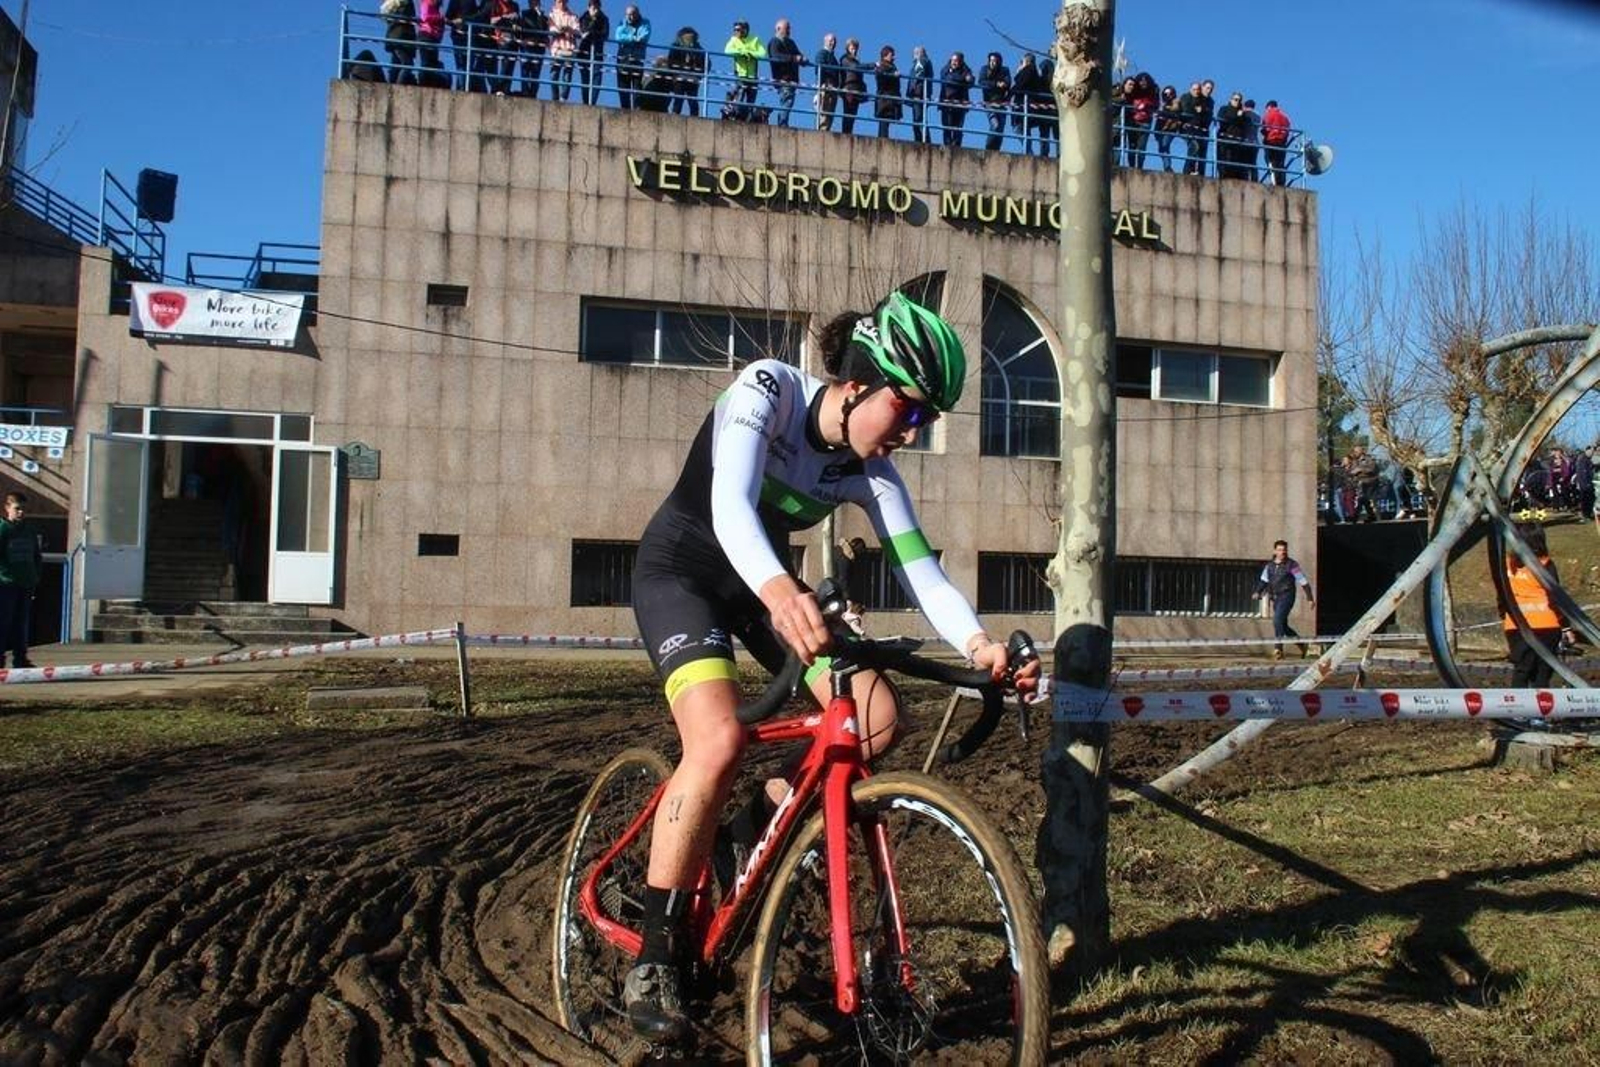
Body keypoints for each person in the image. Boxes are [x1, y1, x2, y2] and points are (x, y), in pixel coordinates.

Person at [620, 293, 1037, 1042]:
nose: (914, 430)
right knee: (715, 743)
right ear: (856, 384)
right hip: (681, 572)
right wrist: (783, 589)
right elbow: (729, 505)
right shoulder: (767, 392)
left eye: (927, 419)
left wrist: (981, 648)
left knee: (876, 716)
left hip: (761, 586)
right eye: (909, 408)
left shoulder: (870, 471)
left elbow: (923, 573)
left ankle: (749, 825)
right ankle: (654, 957)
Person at [1500, 522, 1570, 688]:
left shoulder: (1506, 564)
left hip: (1516, 626)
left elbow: (1501, 593)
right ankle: (1539, 711)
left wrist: (1503, 614)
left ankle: (1518, 711)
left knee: (1522, 671)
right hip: (1546, 624)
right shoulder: (1545, 564)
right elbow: (1556, 597)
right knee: (1542, 674)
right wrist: (1566, 627)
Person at [1254, 539, 1315, 660]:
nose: (1282, 552)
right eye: (1280, 549)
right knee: (1283, 626)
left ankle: (1278, 649)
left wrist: (1310, 598)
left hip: (1287, 596)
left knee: (1277, 620)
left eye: (1284, 550)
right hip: (1275, 597)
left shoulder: (1292, 565)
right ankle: (1303, 645)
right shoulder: (1269, 566)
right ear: (1275, 551)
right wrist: (1257, 591)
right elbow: (1263, 581)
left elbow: (1303, 581)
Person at [0, 492, 42, 670]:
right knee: (3, 621)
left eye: (23, 509)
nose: (21, 512)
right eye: (17, 508)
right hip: (6, 582)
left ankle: (21, 658)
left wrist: (35, 577)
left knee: (21, 622)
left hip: (26, 582)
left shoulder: (29, 530)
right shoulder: (3, 529)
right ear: (7, 508)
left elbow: (36, 556)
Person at [766, 18, 807, 127]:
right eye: (787, 28)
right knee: (787, 100)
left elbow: (798, 54)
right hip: (782, 78)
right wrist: (794, 58)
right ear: (778, 28)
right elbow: (776, 57)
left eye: (789, 28)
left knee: (788, 101)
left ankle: (783, 123)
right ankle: (782, 124)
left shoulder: (790, 42)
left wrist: (803, 59)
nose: (789, 30)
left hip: (792, 78)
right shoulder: (774, 42)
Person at [724, 20, 766, 111]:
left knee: (751, 101)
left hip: (752, 76)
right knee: (739, 99)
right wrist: (741, 52)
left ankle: (748, 118)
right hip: (741, 75)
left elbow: (762, 53)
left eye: (738, 29)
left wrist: (750, 53)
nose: (736, 32)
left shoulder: (754, 39)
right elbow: (727, 51)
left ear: (745, 30)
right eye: (735, 30)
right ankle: (734, 114)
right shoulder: (733, 40)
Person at [614, 4, 651, 108]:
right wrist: (633, 38)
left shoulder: (645, 23)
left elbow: (645, 36)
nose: (630, 17)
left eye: (632, 14)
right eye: (628, 15)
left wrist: (629, 38)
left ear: (637, 14)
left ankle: (636, 109)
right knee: (623, 86)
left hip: (637, 59)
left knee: (636, 86)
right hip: (623, 59)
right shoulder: (622, 22)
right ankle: (625, 108)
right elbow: (618, 36)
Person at [665, 26, 705, 115]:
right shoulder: (677, 46)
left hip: (690, 78)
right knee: (682, 99)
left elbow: (706, 63)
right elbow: (671, 62)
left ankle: (679, 115)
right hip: (681, 77)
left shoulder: (698, 49)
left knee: (689, 100)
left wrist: (699, 75)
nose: (689, 39)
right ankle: (679, 114)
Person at [576, 0, 610, 105]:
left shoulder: (604, 19)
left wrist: (592, 33)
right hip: (584, 52)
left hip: (597, 52)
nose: (594, 9)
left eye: (596, 7)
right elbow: (584, 30)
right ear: (588, 7)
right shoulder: (583, 18)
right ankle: (586, 101)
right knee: (585, 78)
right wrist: (593, 21)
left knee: (597, 77)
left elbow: (604, 34)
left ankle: (592, 102)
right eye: (592, 7)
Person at [938, 50, 973, 148]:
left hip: (960, 103)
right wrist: (963, 79)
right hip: (947, 103)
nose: (954, 62)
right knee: (947, 126)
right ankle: (947, 145)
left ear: (961, 61)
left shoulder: (965, 70)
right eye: (952, 60)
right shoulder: (945, 69)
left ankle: (956, 146)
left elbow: (971, 81)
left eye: (956, 60)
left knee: (958, 128)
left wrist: (966, 79)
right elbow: (948, 79)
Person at [546, 0, 581, 99]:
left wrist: (569, 30)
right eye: (559, 1)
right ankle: (555, 97)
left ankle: (563, 98)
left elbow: (578, 31)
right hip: (557, 49)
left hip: (570, 50)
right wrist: (561, 30)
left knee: (567, 76)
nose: (562, 4)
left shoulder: (573, 16)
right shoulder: (552, 15)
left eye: (564, 1)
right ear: (555, 2)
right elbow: (551, 29)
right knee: (554, 74)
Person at [513, 0, 548, 98]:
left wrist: (540, 16)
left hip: (538, 48)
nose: (535, 4)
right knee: (525, 71)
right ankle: (525, 92)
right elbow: (520, 30)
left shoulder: (543, 18)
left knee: (535, 73)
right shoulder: (524, 14)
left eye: (537, 2)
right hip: (526, 46)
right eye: (533, 2)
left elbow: (542, 31)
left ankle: (533, 94)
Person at [978, 51, 1011, 152]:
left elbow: (1008, 82)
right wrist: (996, 84)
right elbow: (982, 82)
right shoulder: (984, 69)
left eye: (995, 61)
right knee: (995, 125)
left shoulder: (1005, 70)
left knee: (1000, 129)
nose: (993, 63)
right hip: (989, 103)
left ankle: (996, 150)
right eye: (991, 61)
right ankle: (988, 148)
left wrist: (1004, 84)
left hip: (1002, 103)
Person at [1124, 71, 1158, 169]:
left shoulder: (1152, 93)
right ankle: (1132, 166)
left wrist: (1147, 105)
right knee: (1132, 146)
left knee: (1142, 147)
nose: (1143, 83)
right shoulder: (1133, 92)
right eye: (1141, 81)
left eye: (1145, 81)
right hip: (1132, 121)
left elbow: (1156, 105)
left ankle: (1139, 167)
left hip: (1145, 122)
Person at [381, 0, 419, 85]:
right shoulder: (402, 2)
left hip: (397, 36)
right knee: (407, 64)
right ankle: (397, 87)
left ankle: (391, 85)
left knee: (396, 64)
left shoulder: (395, 3)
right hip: (401, 37)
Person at [837, 38, 868, 134]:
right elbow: (854, 68)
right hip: (848, 89)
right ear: (848, 48)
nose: (854, 50)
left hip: (856, 90)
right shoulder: (845, 59)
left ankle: (848, 132)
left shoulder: (855, 60)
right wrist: (871, 65)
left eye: (855, 48)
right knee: (848, 113)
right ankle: (845, 133)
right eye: (852, 48)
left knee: (853, 114)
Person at [1215, 91, 1247, 179]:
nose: (1237, 101)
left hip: (1238, 140)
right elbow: (1222, 122)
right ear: (1231, 99)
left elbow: (1245, 124)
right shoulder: (1224, 109)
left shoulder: (1242, 113)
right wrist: (1237, 118)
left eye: (1239, 100)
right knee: (1224, 159)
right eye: (1235, 99)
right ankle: (1223, 176)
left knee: (1236, 161)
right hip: (1225, 139)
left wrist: (1240, 117)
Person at [813, 32, 841, 131]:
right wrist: (823, 85)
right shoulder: (822, 53)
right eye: (831, 41)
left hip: (833, 89)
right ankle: (821, 133)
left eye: (834, 41)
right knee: (824, 113)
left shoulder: (834, 58)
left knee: (830, 115)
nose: (833, 43)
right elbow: (819, 69)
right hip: (825, 87)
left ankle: (825, 131)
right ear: (825, 41)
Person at [873, 45, 902, 138]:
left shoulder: (890, 66)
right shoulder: (883, 66)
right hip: (885, 98)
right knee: (884, 120)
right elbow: (882, 78)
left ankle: (883, 138)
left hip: (889, 98)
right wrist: (894, 75)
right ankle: (882, 139)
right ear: (885, 55)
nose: (893, 57)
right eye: (891, 55)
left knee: (885, 121)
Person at [906, 44, 933, 144]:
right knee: (919, 119)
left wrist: (912, 89)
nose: (914, 55)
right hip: (920, 93)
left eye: (916, 53)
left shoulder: (922, 61)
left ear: (920, 53)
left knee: (918, 119)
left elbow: (919, 73)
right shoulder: (921, 62)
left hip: (919, 94)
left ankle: (923, 141)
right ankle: (922, 140)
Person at [1261, 99, 1292, 186]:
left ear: (1269, 107)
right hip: (1282, 142)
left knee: (1272, 162)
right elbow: (1288, 129)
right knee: (1281, 163)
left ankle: (1275, 182)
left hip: (1271, 140)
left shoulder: (1269, 114)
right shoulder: (1285, 116)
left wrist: (1265, 134)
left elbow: (1264, 127)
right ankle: (1282, 182)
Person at [1346, 444, 1380, 522]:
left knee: (1364, 499)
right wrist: (1351, 472)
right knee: (1364, 500)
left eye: (1356, 451)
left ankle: (1356, 517)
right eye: (1354, 451)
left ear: (1361, 451)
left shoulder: (1369, 459)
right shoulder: (1355, 461)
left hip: (1370, 483)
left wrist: (1360, 470)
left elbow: (1373, 469)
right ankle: (1371, 516)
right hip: (1360, 483)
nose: (1355, 453)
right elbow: (1352, 471)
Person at [1154, 84, 1182, 171]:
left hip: (1170, 128)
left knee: (1165, 145)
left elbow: (1175, 109)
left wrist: (1163, 111)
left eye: (1170, 93)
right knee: (1161, 148)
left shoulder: (1176, 101)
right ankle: (1166, 166)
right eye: (1165, 94)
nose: (1168, 95)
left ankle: (1168, 167)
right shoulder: (1162, 104)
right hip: (1159, 128)